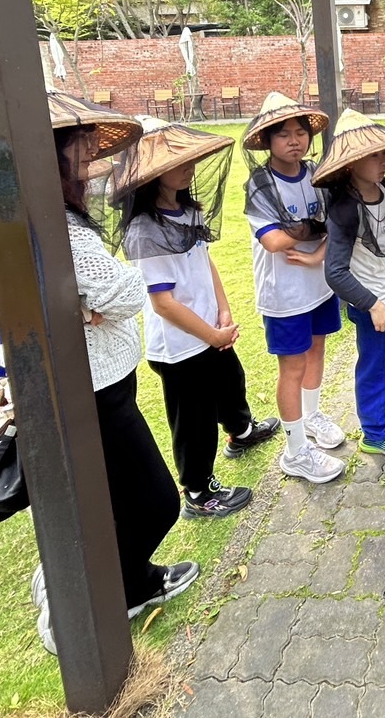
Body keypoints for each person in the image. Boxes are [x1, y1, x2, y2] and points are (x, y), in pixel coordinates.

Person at [0, 92, 199, 654]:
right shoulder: (54, 228)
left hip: (83, 381)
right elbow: (125, 291)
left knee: (105, 500)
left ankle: (125, 583)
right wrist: (94, 301)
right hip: (90, 391)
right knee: (155, 501)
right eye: (80, 148)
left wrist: (83, 304)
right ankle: (76, 594)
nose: (91, 160)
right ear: (47, 154)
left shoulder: (7, 219)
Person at [113, 120, 279, 520]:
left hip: (209, 331)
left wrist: (223, 311)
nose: (188, 166)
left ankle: (241, 433)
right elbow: (163, 303)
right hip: (180, 347)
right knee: (194, 421)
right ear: (150, 172)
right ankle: (198, 491)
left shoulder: (187, 211)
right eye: (176, 161)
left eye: (188, 158)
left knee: (231, 381)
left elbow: (205, 262)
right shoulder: (143, 230)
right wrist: (212, 334)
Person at [242, 93, 348, 484]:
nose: (294, 141)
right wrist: (312, 230)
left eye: (300, 133)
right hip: (284, 294)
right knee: (292, 366)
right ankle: (295, 451)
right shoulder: (260, 184)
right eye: (283, 134)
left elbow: (337, 223)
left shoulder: (317, 173)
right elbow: (272, 241)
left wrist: (316, 247)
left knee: (317, 350)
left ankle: (311, 415)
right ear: (267, 141)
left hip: (318, 286)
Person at [316, 109, 385, 459]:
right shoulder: (346, 209)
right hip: (372, 300)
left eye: (384, 153)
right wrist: (373, 305)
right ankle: (376, 431)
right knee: (376, 365)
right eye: (375, 155)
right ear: (351, 163)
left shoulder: (382, 188)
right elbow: (335, 272)